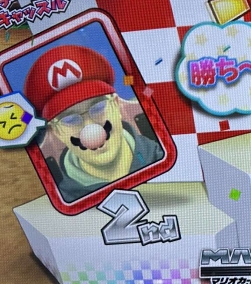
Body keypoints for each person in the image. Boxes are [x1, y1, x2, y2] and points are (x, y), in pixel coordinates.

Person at [23, 44, 163, 202]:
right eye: (69, 119)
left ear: (116, 105)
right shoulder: (61, 202)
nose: (90, 128)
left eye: (98, 107)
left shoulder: (164, 154)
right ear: (57, 132)